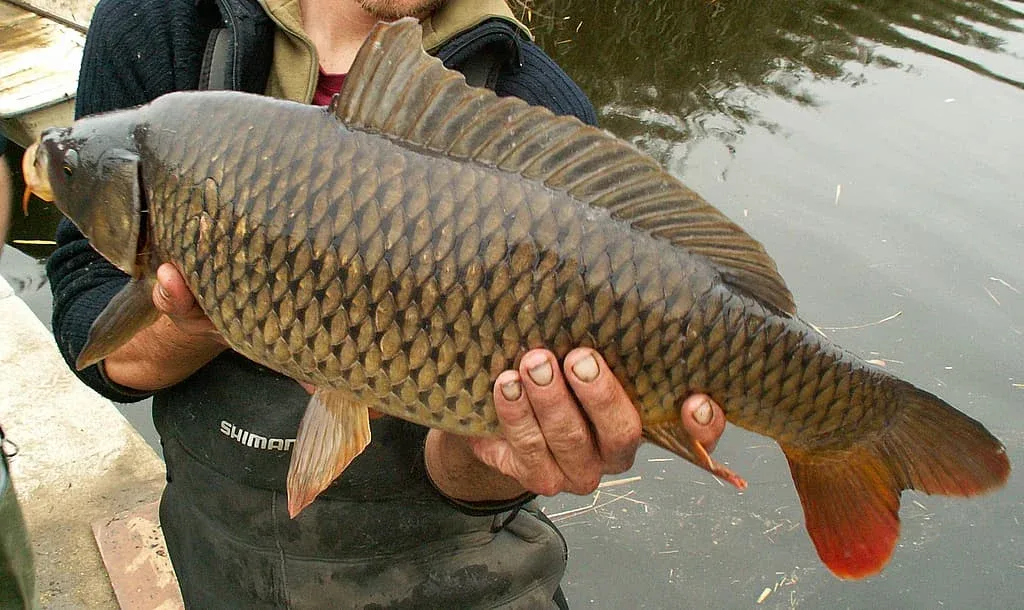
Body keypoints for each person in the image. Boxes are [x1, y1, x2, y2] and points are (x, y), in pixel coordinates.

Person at [47, 0, 727, 607]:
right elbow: (90, 325)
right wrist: (215, 308)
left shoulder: (534, 104)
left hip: (456, 566)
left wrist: (509, 450)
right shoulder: (160, 22)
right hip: (217, 554)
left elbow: (475, 470)